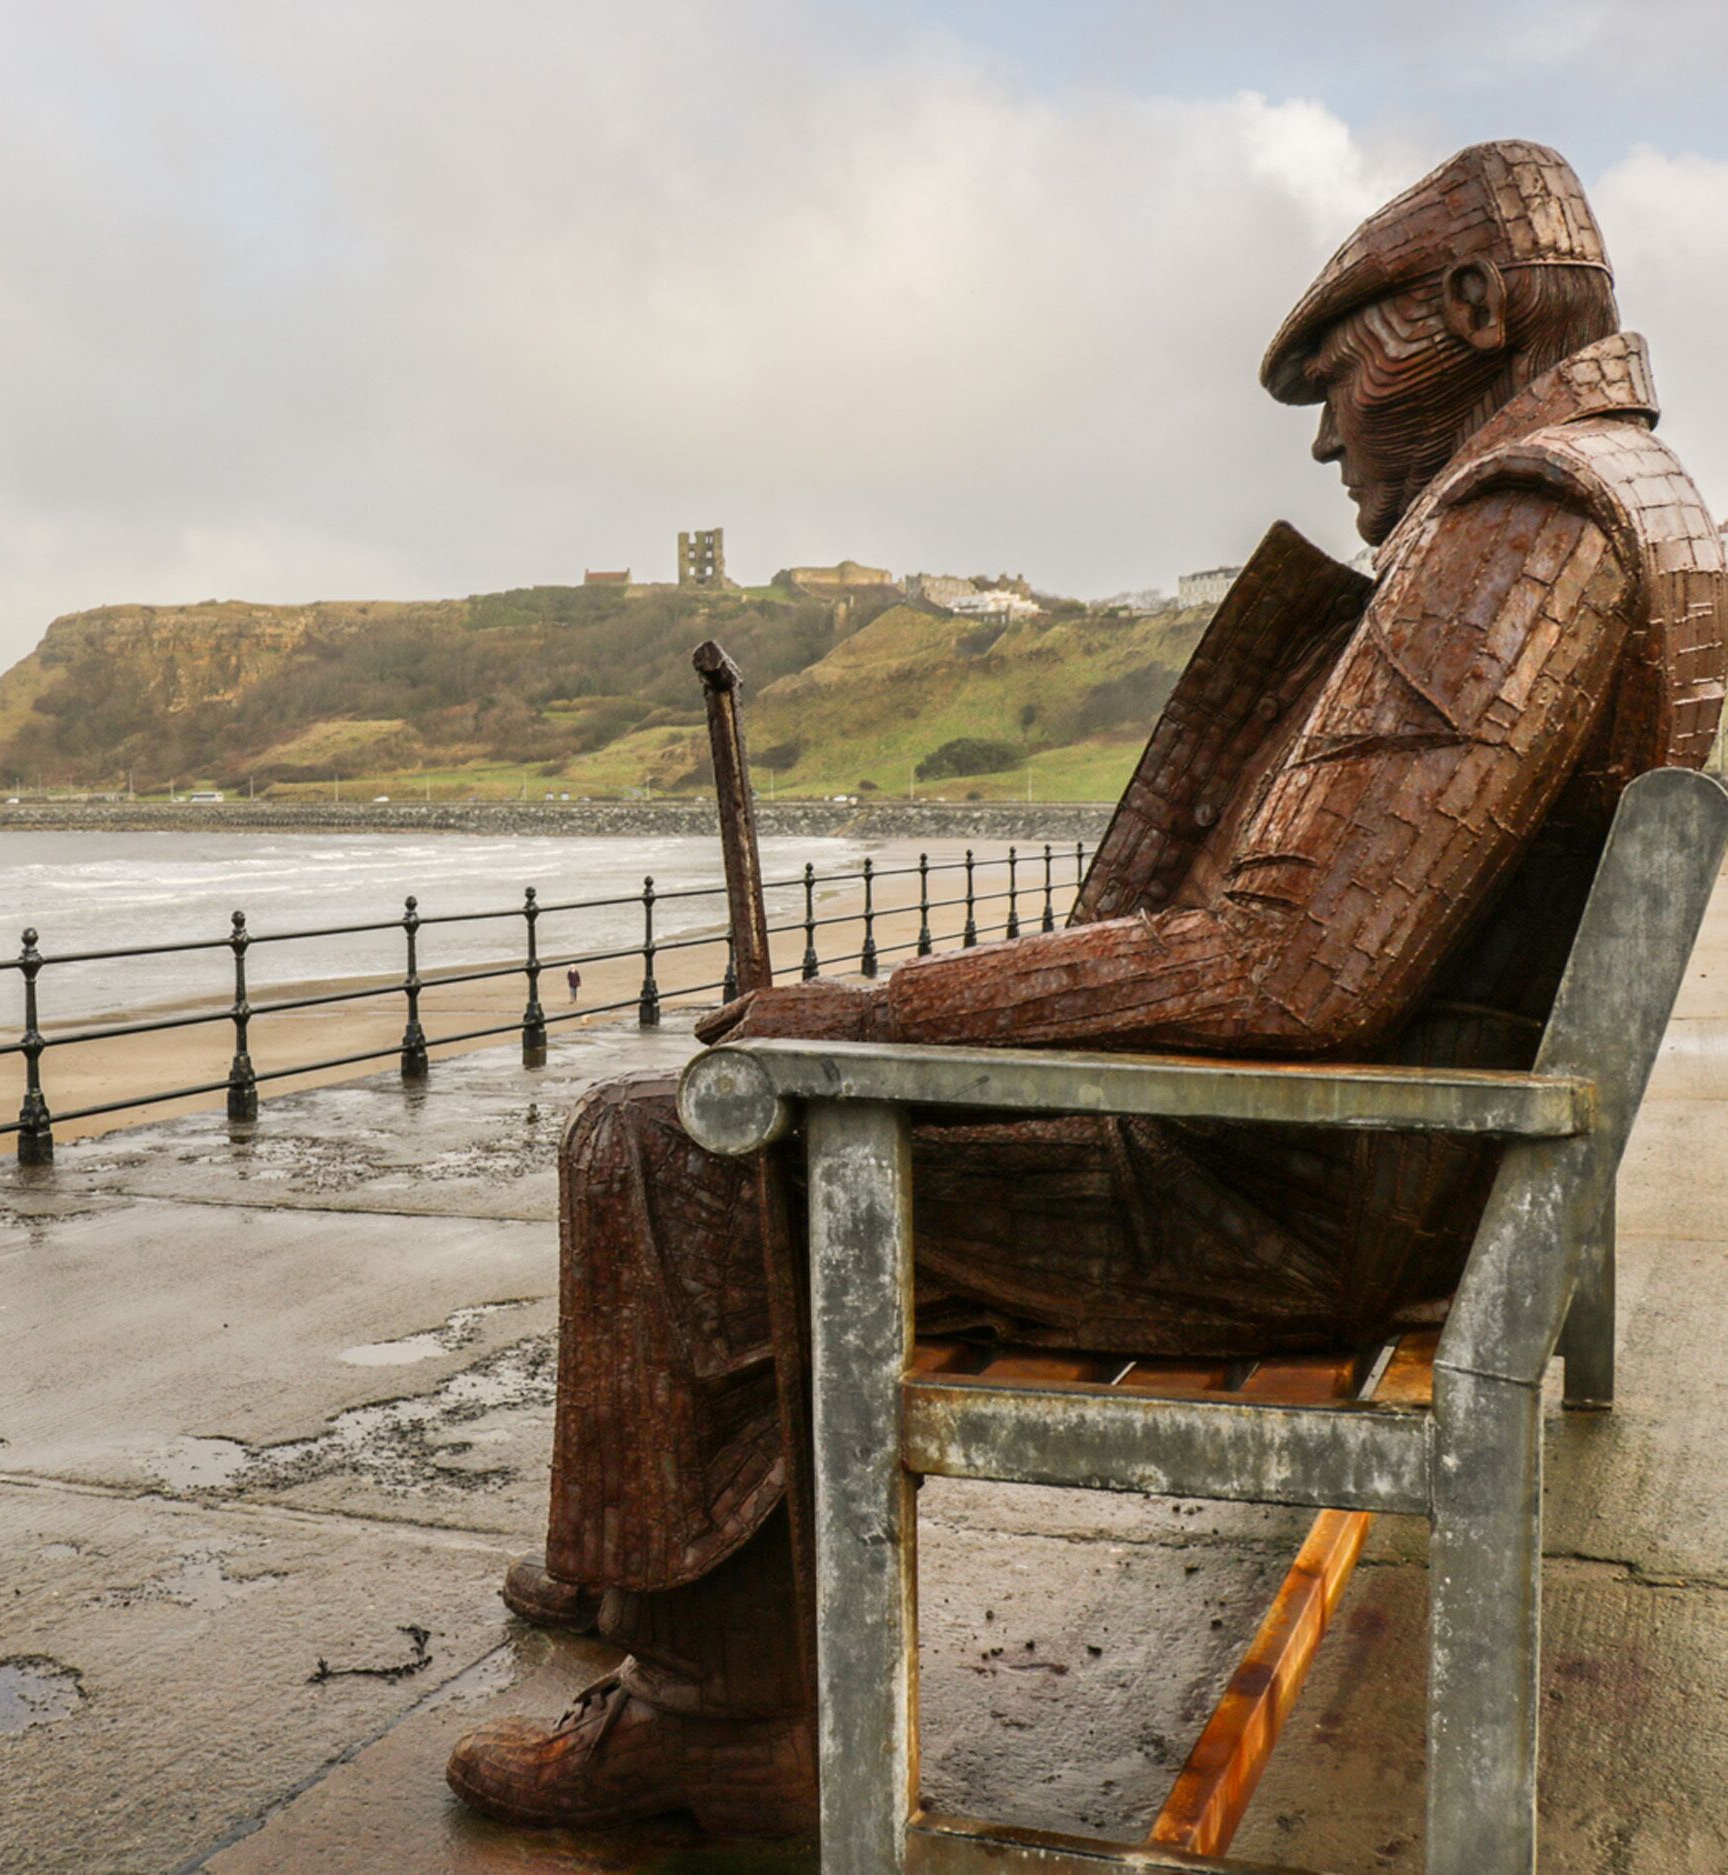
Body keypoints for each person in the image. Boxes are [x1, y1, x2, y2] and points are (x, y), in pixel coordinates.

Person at [447, 141, 1725, 1836]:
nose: (1330, 432)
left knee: (666, 1149)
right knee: (776, 1112)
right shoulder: (1632, 492)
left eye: (1335, 381)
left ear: (1475, 309)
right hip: (1403, 1170)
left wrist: (889, 1013)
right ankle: (654, 1566)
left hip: (1290, 1201)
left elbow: (1297, 970)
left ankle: (723, 1709)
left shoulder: (1520, 525)